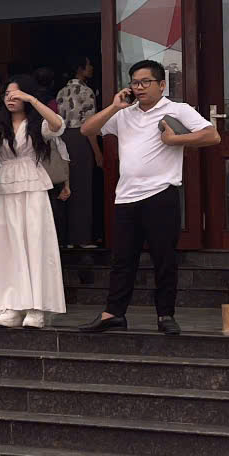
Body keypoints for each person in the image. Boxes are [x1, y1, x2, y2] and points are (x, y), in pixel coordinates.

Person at [78, 60, 219, 335]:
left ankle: (165, 314)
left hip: (161, 193)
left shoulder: (177, 109)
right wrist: (114, 107)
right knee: (122, 259)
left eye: (146, 82)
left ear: (161, 85)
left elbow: (212, 136)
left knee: (164, 258)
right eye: (135, 83)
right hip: (126, 197)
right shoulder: (124, 113)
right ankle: (113, 313)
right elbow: (87, 130)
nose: (139, 87)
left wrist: (175, 141)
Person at [0, 78, 68, 328]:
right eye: (7, 94)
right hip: (5, 187)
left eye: (16, 94)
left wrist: (32, 100)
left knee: (35, 243)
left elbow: (58, 125)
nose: (11, 98)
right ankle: (12, 305)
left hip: (33, 185)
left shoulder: (37, 125)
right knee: (7, 245)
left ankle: (37, 306)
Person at [54, 56, 103, 248]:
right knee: (83, 188)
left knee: (67, 187)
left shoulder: (61, 91)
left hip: (63, 139)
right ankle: (81, 238)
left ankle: (65, 238)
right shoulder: (86, 91)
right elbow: (89, 126)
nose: (92, 68)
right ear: (81, 69)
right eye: (89, 65)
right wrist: (97, 153)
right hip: (81, 140)